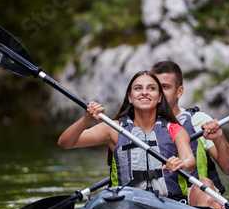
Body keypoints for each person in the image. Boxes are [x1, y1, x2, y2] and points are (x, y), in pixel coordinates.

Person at [58, 70, 196, 200]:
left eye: (151, 88)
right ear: (130, 97)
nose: (144, 93)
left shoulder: (174, 129)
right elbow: (65, 143)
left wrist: (181, 163)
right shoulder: (114, 128)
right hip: (126, 201)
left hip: (169, 203)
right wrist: (86, 119)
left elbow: (190, 162)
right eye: (138, 88)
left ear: (160, 97)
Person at [151, 61, 229, 209]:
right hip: (156, 197)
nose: (159, 92)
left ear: (179, 91)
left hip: (196, 198)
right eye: (155, 87)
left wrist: (219, 139)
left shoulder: (199, 121)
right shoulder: (136, 125)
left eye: (165, 87)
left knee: (203, 183)